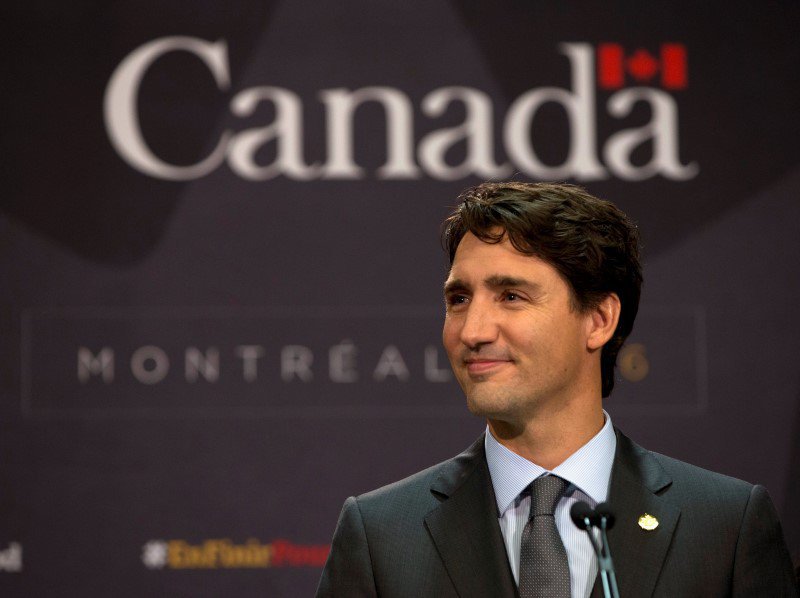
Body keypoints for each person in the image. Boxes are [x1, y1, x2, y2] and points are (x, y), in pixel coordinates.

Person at [316, 182, 798, 597]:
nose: (472, 330)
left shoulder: (724, 526)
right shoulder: (380, 536)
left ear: (599, 319)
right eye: (459, 299)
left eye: (511, 296)